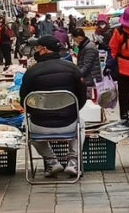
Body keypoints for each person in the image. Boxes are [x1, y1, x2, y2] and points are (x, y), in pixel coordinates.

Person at [20, 35, 87, 177]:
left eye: (37, 48)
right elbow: (81, 98)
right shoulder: (73, 69)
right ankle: (73, 163)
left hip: (39, 126)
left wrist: (38, 111)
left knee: (26, 126)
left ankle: (51, 161)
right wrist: (69, 111)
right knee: (80, 124)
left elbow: (24, 102)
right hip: (68, 123)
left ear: (44, 50)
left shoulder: (31, 72)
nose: (36, 50)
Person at [72, 28, 101, 95]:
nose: (74, 41)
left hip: (91, 78)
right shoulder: (83, 46)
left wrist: (77, 75)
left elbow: (87, 66)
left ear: (79, 38)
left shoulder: (89, 47)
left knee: (89, 100)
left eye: (74, 39)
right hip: (87, 77)